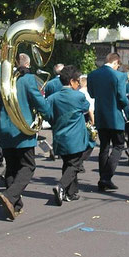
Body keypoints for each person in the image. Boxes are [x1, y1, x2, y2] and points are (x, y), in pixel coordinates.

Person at [0, 53, 50, 220]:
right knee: (28, 166)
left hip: (5, 129)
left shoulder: (4, 80)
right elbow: (39, 102)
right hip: (22, 130)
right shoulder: (29, 79)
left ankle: (15, 205)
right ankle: (10, 196)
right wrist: (48, 113)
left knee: (11, 167)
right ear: (28, 64)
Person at [47, 65, 90, 205]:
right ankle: (61, 186)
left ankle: (71, 193)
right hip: (76, 137)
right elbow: (86, 108)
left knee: (67, 163)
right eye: (77, 81)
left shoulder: (53, 98)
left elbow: (49, 115)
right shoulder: (78, 96)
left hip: (60, 136)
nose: (78, 84)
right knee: (75, 164)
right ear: (72, 81)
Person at [87, 52, 129, 191]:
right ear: (116, 62)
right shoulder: (119, 76)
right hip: (115, 115)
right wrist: (127, 105)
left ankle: (102, 178)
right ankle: (106, 176)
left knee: (104, 147)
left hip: (101, 115)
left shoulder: (93, 74)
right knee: (118, 145)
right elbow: (122, 98)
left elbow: (92, 94)